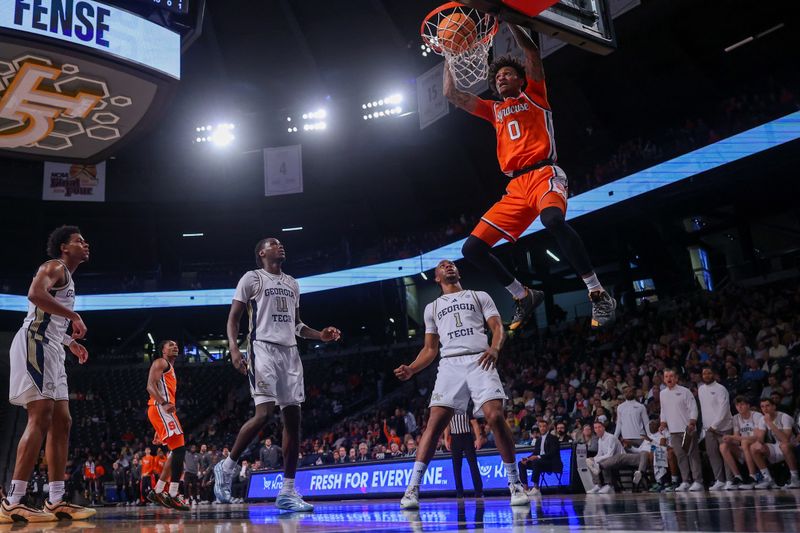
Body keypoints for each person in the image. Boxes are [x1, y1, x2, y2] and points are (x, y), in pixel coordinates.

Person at [443, 24, 616, 331]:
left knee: (552, 221)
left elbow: (532, 52)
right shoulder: (493, 110)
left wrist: (510, 19)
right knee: (471, 250)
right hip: (515, 188)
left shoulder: (535, 94)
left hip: (544, 173)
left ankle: (597, 292)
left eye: (508, 74)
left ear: (521, 80)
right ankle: (522, 295)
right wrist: (447, 54)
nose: (501, 77)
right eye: (498, 76)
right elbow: (451, 94)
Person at [217, 237, 341, 511]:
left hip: (290, 353)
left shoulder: (293, 283)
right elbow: (234, 318)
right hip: (262, 349)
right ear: (262, 252)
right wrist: (235, 349)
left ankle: (287, 492)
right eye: (274, 244)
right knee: (264, 414)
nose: (281, 246)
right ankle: (226, 467)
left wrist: (320, 334)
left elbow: (297, 325)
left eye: (282, 243)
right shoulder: (252, 278)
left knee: (294, 423)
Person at [393, 260, 528, 509]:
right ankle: (412, 489)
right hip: (450, 365)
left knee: (495, 416)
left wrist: (495, 349)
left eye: (452, 264)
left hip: (480, 358)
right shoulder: (432, 308)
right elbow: (430, 349)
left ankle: (515, 484)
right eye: (443, 266)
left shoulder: (479, 296)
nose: (448, 266)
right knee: (434, 425)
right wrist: (412, 368)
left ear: (459, 272)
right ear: (436, 277)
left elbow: (499, 328)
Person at [1, 226, 95, 523]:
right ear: (65, 247)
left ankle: (55, 500)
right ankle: (13, 501)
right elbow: (34, 294)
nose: (85, 244)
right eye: (79, 241)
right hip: (35, 344)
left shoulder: (69, 279)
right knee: (40, 415)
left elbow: (48, 318)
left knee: (62, 421)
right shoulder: (54, 266)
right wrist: (74, 316)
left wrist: (70, 342)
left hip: (53, 347)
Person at [144, 340, 190, 510]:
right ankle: (172, 493)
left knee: (176, 449)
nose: (175, 346)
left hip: (163, 411)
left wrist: (159, 428)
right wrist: (163, 403)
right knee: (179, 450)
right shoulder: (161, 362)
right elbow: (150, 386)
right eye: (170, 345)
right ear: (162, 350)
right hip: (160, 408)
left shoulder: (170, 368)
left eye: (176, 345)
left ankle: (157, 490)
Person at [659, 368, 703, 491]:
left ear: (676, 378)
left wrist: (692, 422)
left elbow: (693, 408)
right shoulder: (663, 394)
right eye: (666, 376)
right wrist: (663, 423)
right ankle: (685, 481)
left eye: (671, 376)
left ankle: (698, 481)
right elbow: (663, 410)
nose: (669, 378)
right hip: (673, 430)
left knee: (692, 455)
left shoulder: (685, 391)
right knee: (680, 456)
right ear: (664, 379)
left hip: (687, 429)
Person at [749, 398, 800, 489]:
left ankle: (795, 478)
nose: (765, 409)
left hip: (793, 444)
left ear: (774, 406)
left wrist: (770, 423)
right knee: (754, 447)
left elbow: (785, 439)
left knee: (784, 446)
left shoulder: (784, 417)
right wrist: (759, 442)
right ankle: (768, 479)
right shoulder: (762, 419)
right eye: (762, 407)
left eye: (767, 406)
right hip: (777, 445)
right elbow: (760, 438)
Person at [697, 366, 734, 491]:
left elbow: (724, 409)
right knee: (712, 454)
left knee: (726, 453)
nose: (706, 375)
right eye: (704, 373)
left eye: (709, 373)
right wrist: (707, 426)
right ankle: (720, 480)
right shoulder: (701, 389)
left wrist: (715, 425)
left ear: (714, 374)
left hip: (723, 427)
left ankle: (730, 480)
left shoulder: (721, 389)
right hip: (708, 429)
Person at [586, 420, 648, 493]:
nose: (598, 429)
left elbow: (610, 454)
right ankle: (598, 484)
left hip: (621, 459)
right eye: (595, 428)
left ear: (603, 428)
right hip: (613, 460)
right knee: (590, 461)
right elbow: (600, 454)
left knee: (604, 460)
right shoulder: (600, 440)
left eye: (599, 427)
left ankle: (608, 484)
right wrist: (593, 459)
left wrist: (596, 460)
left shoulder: (611, 438)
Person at [720, 396, 765, 489]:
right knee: (723, 446)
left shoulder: (757, 416)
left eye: (742, 404)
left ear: (748, 405)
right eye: (737, 405)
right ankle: (737, 477)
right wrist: (730, 440)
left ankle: (752, 476)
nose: (739, 407)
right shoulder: (735, 418)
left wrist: (733, 437)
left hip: (757, 447)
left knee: (745, 442)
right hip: (744, 449)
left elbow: (756, 437)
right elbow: (737, 441)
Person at [444, 410, 484, 499]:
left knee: (473, 465)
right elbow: (447, 425)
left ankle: (479, 491)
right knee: (456, 467)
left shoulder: (466, 408)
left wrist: (478, 438)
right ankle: (459, 493)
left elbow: (474, 423)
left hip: (467, 437)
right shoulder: (449, 409)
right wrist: (446, 438)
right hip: (455, 438)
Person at [519, 419, 562, 497]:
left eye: (544, 426)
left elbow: (552, 453)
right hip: (540, 463)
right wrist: (527, 458)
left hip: (551, 463)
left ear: (548, 427)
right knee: (521, 463)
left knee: (536, 461)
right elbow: (535, 453)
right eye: (540, 426)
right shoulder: (538, 440)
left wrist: (538, 457)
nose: (542, 428)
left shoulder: (553, 438)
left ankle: (536, 488)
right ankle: (525, 488)